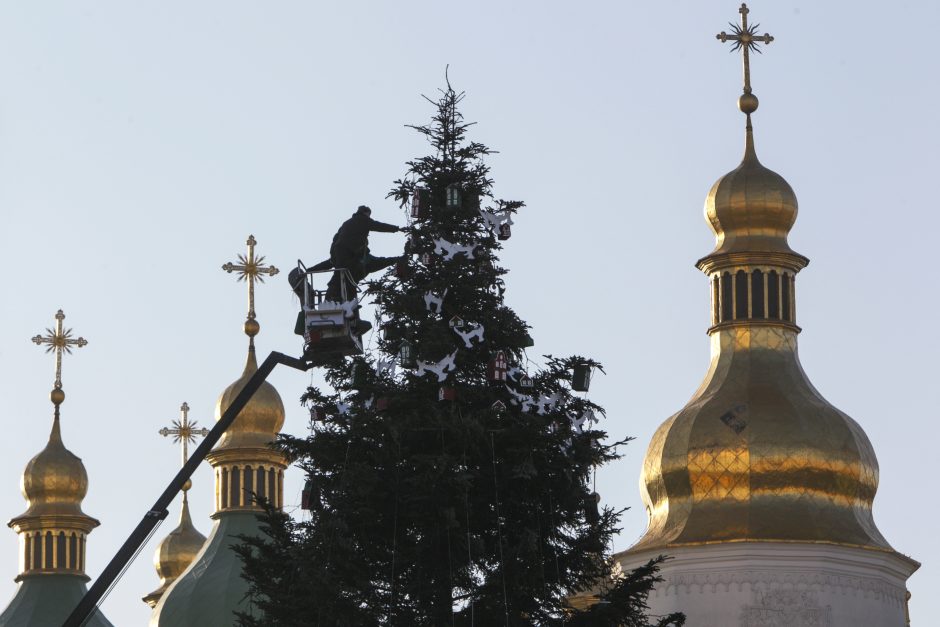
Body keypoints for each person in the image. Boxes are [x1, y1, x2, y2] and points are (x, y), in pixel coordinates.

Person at [289, 205, 402, 305]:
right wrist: (397, 229)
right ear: (365, 213)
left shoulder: (345, 226)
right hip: (352, 259)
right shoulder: (363, 220)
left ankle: (328, 303)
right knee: (348, 282)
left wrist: (309, 270)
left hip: (339, 255)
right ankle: (346, 308)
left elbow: (329, 262)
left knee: (338, 279)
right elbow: (379, 226)